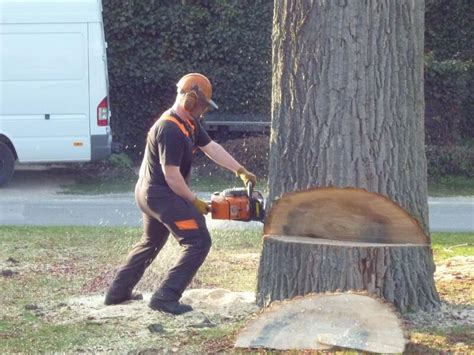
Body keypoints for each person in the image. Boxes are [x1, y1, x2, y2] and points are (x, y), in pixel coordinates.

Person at [104, 73, 256, 315]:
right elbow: (172, 176)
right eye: (203, 105)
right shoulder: (169, 129)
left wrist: (240, 170)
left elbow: (211, 148)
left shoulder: (189, 124)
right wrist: (193, 200)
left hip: (150, 193)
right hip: (161, 195)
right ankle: (165, 296)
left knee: (151, 242)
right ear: (191, 99)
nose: (204, 110)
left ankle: (117, 292)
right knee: (198, 241)